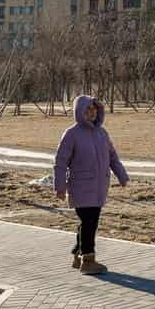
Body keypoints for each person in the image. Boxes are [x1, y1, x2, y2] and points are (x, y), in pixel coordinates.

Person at [53, 95, 129, 275]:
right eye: (88, 110)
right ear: (79, 112)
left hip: (99, 188)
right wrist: (60, 186)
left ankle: (77, 254)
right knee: (89, 223)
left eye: (94, 110)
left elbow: (112, 157)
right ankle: (88, 261)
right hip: (81, 188)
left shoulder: (102, 133)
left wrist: (122, 175)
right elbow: (60, 162)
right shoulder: (71, 134)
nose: (92, 113)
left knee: (90, 223)